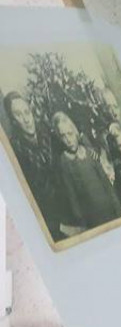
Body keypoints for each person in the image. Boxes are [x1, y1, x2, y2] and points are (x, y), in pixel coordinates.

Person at [2, 91, 64, 238]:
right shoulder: (15, 153)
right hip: (52, 226)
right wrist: (59, 226)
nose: (26, 119)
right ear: (13, 120)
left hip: (73, 207)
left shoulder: (48, 134)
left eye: (27, 112)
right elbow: (28, 203)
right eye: (18, 114)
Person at [53, 111, 121, 233]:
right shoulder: (65, 161)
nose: (68, 139)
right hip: (92, 218)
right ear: (59, 138)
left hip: (108, 207)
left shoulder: (90, 153)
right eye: (63, 136)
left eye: (69, 134)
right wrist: (82, 221)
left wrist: (116, 205)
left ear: (75, 133)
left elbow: (105, 182)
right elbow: (71, 194)